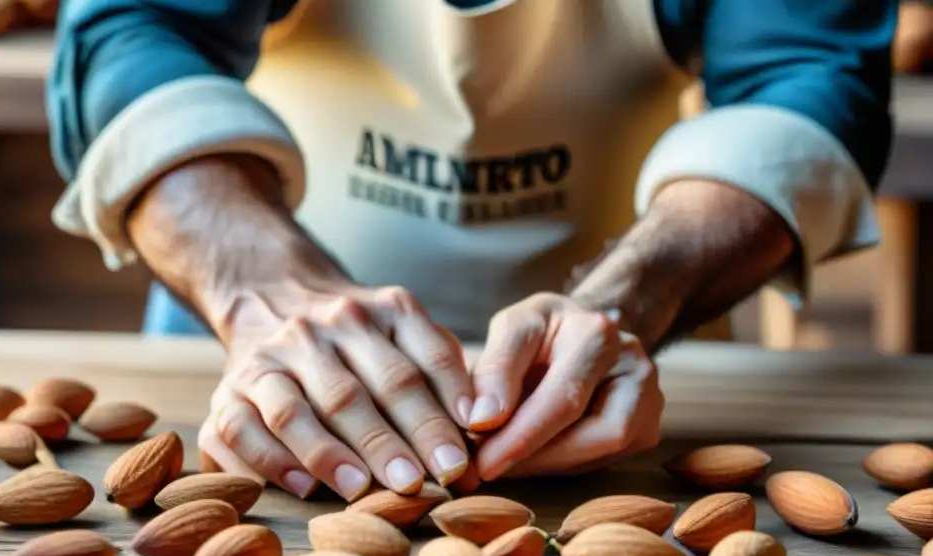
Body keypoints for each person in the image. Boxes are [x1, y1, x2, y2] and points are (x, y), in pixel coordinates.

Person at [48, 0, 894, 501]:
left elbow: (807, 71)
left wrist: (626, 302)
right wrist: (259, 287)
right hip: (258, 380)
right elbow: (134, 25)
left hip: (632, 393)